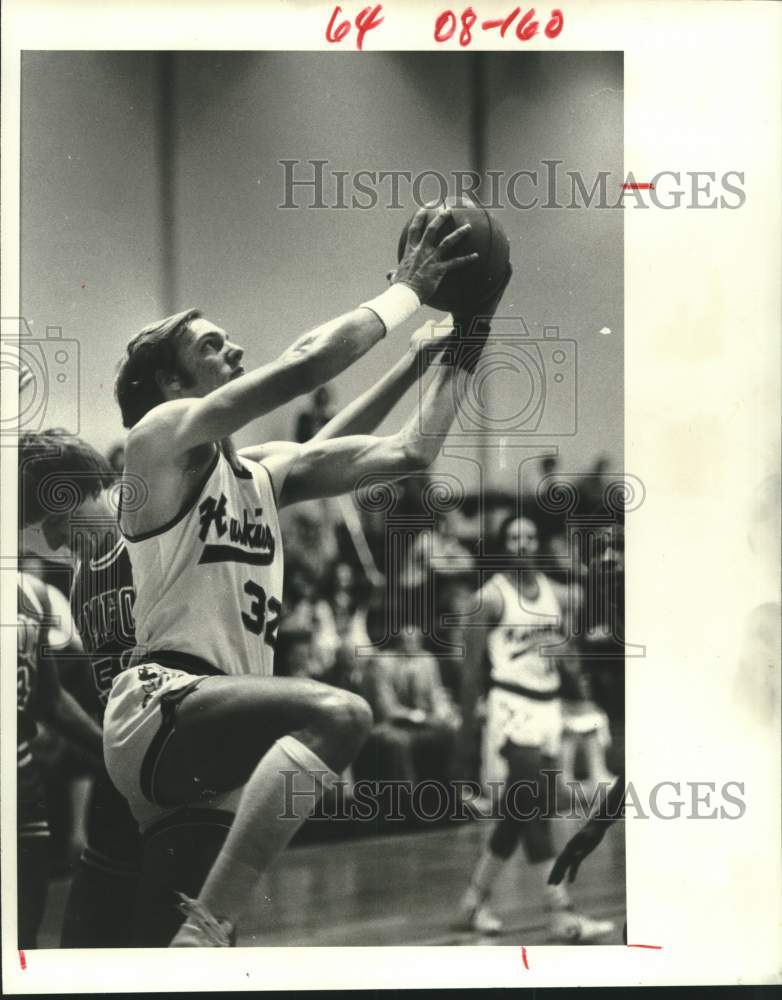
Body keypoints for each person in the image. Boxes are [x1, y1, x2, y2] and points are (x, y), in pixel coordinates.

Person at [102, 206, 506, 946]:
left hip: (214, 739)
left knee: (160, 955)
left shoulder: (253, 473)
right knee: (341, 714)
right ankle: (208, 928)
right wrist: (408, 289)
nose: (237, 347)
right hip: (166, 701)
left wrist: (464, 344)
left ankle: (193, 937)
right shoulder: (154, 441)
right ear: (168, 380)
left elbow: (406, 453)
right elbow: (307, 366)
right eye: (212, 343)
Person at [458, 515, 614, 942]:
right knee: (534, 810)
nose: (522, 544)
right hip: (510, 709)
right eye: (514, 537)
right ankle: (561, 912)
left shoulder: (558, 594)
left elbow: (567, 652)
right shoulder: (488, 598)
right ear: (502, 545)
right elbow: (471, 675)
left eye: (529, 536)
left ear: (537, 543)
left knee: (519, 813)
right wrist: (464, 749)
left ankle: (474, 899)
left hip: (548, 710)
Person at [16, 552, 103, 948]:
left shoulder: (31, 596)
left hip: (23, 792)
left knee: (22, 938)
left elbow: (51, 701)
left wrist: (111, 751)